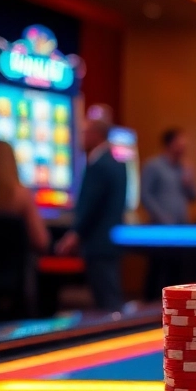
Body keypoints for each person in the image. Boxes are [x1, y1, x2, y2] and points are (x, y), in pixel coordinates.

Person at [56, 116, 129, 312]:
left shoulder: (99, 164)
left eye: (84, 132)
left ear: (96, 135)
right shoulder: (117, 163)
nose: (81, 137)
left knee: (107, 300)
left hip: (97, 242)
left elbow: (91, 206)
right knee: (110, 295)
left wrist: (74, 235)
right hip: (110, 241)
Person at [141, 128, 196, 298]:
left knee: (177, 272)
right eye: (180, 143)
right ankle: (149, 309)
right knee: (157, 269)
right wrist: (162, 217)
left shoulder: (185, 168)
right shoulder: (153, 166)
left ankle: (176, 307)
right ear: (170, 144)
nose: (183, 147)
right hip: (160, 229)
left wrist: (189, 182)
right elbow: (145, 195)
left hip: (181, 230)